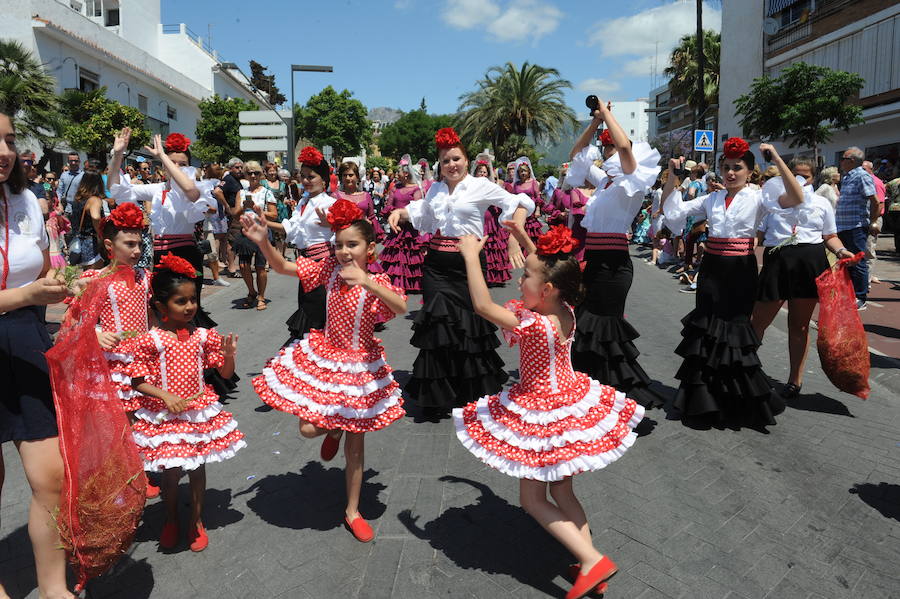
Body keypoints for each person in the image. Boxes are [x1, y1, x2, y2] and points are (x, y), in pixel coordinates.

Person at [452, 223, 643, 599]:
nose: (520, 279)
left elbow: (482, 306)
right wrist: (525, 239)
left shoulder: (536, 325)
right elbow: (554, 270)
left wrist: (472, 258)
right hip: (568, 400)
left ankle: (592, 561)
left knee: (532, 500)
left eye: (525, 276)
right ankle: (588, 560)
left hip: (542, 411)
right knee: (563, 491)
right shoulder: (566, 309)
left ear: (548, 289)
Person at [245, 201, 407, 542]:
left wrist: (368, 281)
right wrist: (263, 242)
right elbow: (285, 267)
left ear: (370, 248)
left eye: (352, 244)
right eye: (339, 244)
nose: (344, 251)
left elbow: (400, 306)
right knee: (308, 428)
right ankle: (333, 430)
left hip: (361, 368)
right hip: (327, 359)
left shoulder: (377, 280)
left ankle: (352, 511)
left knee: (357, 447)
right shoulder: (328, 270)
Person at [387, 127, 533, 418]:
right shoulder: (436, 189)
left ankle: (469, 390)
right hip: (436, 266)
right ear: (439, 165)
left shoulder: (480, 185)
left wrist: (514, 237)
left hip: (468, 264)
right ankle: (439, 393)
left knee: (469, 325)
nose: (451, 165)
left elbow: (519, 203)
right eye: (445, 161)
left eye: (456, 158)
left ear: (466, 160)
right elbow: (423, 214)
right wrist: (399, 213)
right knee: (438, 327)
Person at [661, 138, 804, 430]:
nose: (730, 173)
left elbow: (796, 197)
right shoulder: (712, 199)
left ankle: (736, 402)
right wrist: (673, 174)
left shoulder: (759, 197)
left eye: (737, 168)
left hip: (740, 271)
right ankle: (698, 401)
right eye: (725, 167)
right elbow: (673, 211)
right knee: (707, 330)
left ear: (749, 172)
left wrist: (776, 157)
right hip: (712, 270)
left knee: (736, 331)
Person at [117, 254, 244, 551]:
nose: (189, 307)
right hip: (166, 417)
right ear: (161, 307)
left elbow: (224, 373)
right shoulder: (151, 340)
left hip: (198, 414)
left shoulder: (203, 336)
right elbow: (137, 381)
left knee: (198, 468)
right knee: (171, 473)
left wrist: (229, 356)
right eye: (180, 301)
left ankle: (196, 520)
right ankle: (171, 517)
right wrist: (165, 396)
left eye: (192, 299)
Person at [0, 111, 75, 599]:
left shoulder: (26, 199)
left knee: (52, 476)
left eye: (8, 140)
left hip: (25, 341)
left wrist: (71, 290)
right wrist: (28, 296)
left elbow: (43, 275)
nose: (4, 152)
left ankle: (54, 589)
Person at [565, 101, 663, 408]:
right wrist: (594, 123)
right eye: (605, 151)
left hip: (614, 265)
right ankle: (590, 389)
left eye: (613, 152)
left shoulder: (633, 182)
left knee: (604, 327)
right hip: (593, 262)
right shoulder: (605, 182)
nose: (609, 154)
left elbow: (623, 147)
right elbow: (575, 156)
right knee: (585, 325)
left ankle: (616, 394)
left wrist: (607, 113)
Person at [751, 157, 854, 399]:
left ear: (814, 178)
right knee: (757, 321)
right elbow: (757, 234)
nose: (799, 180)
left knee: (799, 325)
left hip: (808, 262)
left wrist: (840, 250)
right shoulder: (772, 202)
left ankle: (794, 380)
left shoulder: (822, 203)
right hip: (777, 261)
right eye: (794, 173)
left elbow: (829, 235)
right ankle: (745, 370)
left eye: (805, 176)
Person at [108, 128, 216, 327]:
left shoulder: (194, 187)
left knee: (187, 310)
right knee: (164, 309)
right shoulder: (157, 189)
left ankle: (194, 352)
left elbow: (190, 191)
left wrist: (164, 157)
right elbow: (117, 189)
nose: (176, 167)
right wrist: (117, 155)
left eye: (182, 164)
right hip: (160, 254)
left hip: (185, 252)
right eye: (172, 163)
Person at [267, 147, 337, 343]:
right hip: (305, 262)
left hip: (323, 264)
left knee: (316, 310)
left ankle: (319, 356)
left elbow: (352, 229)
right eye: (303, 176)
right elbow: (290, 228)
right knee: (307, 305)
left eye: (311, 177)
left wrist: (332, 224)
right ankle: (310, 356)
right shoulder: (303, 202)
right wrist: (262, 222)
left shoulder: (330, 203)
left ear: (324, 180)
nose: (305, 181)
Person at [836, 147, 879, 310]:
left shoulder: (862, 175)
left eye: (843, 158)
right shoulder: (847, 177)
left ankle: (860, 297)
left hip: (855, 226)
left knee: (858, 260)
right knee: (847, 261)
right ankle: (850, 293)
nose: (841, 161)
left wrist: (873, 222)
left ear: (852, 160)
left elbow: (875, 200)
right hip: (844, 226)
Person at [231, 160, 275, 311]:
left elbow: (274, 215)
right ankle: (251, 291)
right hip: (245, 232)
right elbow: (235, 215)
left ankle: (261, 296)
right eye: (249, 173)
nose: (253, 175)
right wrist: (243, 207)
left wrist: (257, 210)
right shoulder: (241, 193)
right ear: (245, 175)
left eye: (256, 172)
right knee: (243, 265)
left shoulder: (267, 192)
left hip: (261, 231)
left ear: (261, 174)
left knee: (260, 266)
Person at [379, 155, 426, 293]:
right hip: (396, 226)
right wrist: (393, 215)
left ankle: (411, 282)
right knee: (396, 256)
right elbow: (389, 205)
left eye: (398, 172)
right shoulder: (395, 188)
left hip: (411, 229)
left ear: (405, 173)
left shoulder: (416, 189)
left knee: (411, 255)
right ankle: (395, 282)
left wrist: (404, 216)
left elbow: (418, 209)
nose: (396, 174)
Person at [472, 154, 511, 286]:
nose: (482, 174)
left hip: (491, 221)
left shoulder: (493, 186)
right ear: (475, 173)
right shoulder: (470, 186)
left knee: (492, 247)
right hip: (477, 220)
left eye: (484, 172)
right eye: (480, 171)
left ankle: (493, 276)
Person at [68, 169, 107, 269]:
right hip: (92, 244)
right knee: (95, 278)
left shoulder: (78, 199)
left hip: (80, 242)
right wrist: (101, 234)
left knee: (86, 277)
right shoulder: (94, 199)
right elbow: (95, 217)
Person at [509, 157, 544, 244]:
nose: (523, 173)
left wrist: (538, 210)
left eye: (525, 171)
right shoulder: (516, 184)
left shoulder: (533, 182)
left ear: (529, 172)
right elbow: (513, 197)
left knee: (531, 233)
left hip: (531, 212)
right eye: (521, 171)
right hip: (519, 211)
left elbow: (538, 197)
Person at [220, 158, 245, 277]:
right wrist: (227, 206)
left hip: (238, 215)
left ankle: (231, 266)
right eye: (237, 167)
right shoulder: (228, 179)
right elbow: (217, 191)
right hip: (232, 216)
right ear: (230, 168)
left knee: (233, 240)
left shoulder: (235, 179)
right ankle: (231, 268)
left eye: (241, 167)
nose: (240, 169)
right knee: (232, 241)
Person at [262, 161, 289, 258]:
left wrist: (288, 201)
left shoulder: (282, 184)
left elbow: (286, 196)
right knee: (267, 236)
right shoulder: (262, 183)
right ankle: (268, 259)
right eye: (270, 171)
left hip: (281, 211)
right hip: (268, 210)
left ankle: (279, 257)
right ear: (265, 172)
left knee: (279, 236)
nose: (272, 173)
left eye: (274, 171)